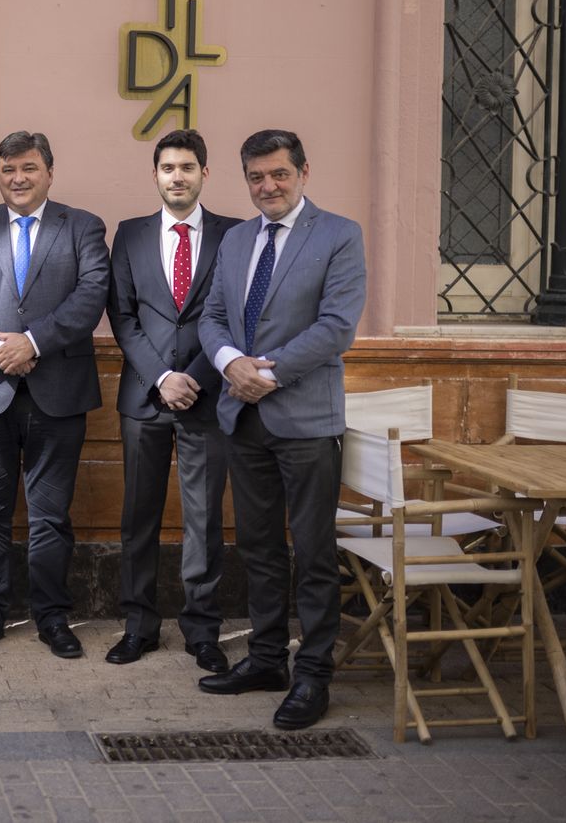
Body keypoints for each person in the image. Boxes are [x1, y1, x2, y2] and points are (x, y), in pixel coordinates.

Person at [197, 128, 366, 730]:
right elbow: (213, 316)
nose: (267, 186)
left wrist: (265, 372)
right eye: (256, 177)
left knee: (314, 553)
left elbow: (336, 327)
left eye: (278, 174)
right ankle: (267, 658)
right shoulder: (238, 238)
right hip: (242, 418)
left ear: (303, 173)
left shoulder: (340, 235)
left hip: (305, 420)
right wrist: (228, 364)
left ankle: (314, 673)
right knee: (260, 549)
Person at [0, 131, 110, 659]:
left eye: (29, 168)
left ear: (49, 173)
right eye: (9, 169)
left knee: (51, 515)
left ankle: (52, 617)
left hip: (58, 391)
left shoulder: (82, 226)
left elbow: (92, 294)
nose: (18, 178)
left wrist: (33, 342)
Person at [105, 128, 239, 674]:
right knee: (139, 516)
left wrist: (196, 378)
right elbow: (123, 315)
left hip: (207, 400)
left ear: (205, 174)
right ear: (155, 175)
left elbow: (232, 316)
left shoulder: (234, 235)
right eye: (167, 168)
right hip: (144, 397)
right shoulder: (130, 235)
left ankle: (202, 630)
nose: (177, 177)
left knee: (204, 520)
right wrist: (162, 375)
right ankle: (138, 626)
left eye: (187, 167)